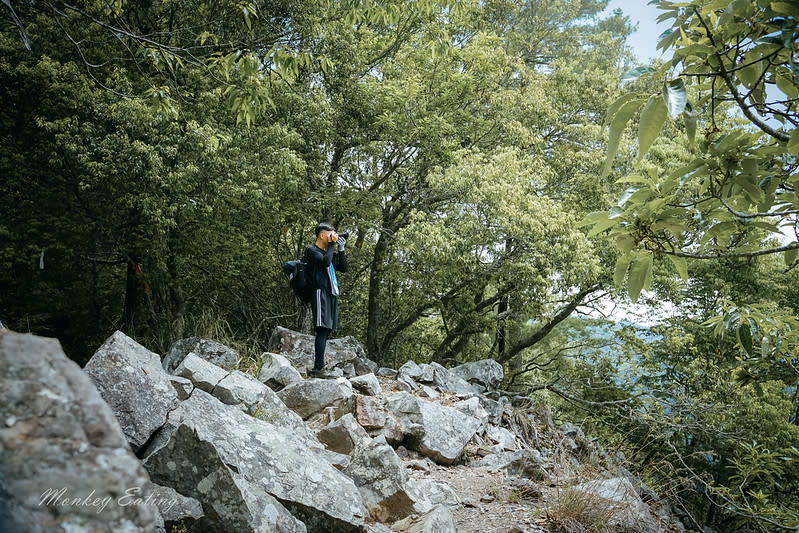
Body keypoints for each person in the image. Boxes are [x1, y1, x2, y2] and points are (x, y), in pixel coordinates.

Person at [304, 222, 348, 377]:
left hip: (330, 292)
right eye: (331, 234)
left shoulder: (327, 252)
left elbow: (343, 267)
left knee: (327, 329)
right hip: (319, 292)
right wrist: (331, 245)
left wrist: (341, 249)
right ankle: (318, 368)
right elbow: (325, 262)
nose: (333, 236)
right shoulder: (311, 250)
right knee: (322, 329)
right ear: (322, 235)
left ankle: (319, 367)